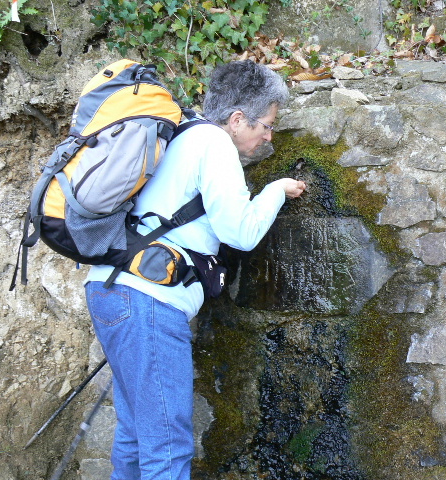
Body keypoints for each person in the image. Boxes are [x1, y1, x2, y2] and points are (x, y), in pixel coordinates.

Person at [84, 59, 306, 480]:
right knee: (167, 447)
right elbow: (240, 232)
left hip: (109, 288)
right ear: (237, 119)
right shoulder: (214, 144)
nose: (268, 136)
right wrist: (276, 190)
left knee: (137, 434)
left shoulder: (181, 133)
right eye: (266, 125)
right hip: (149, 301)